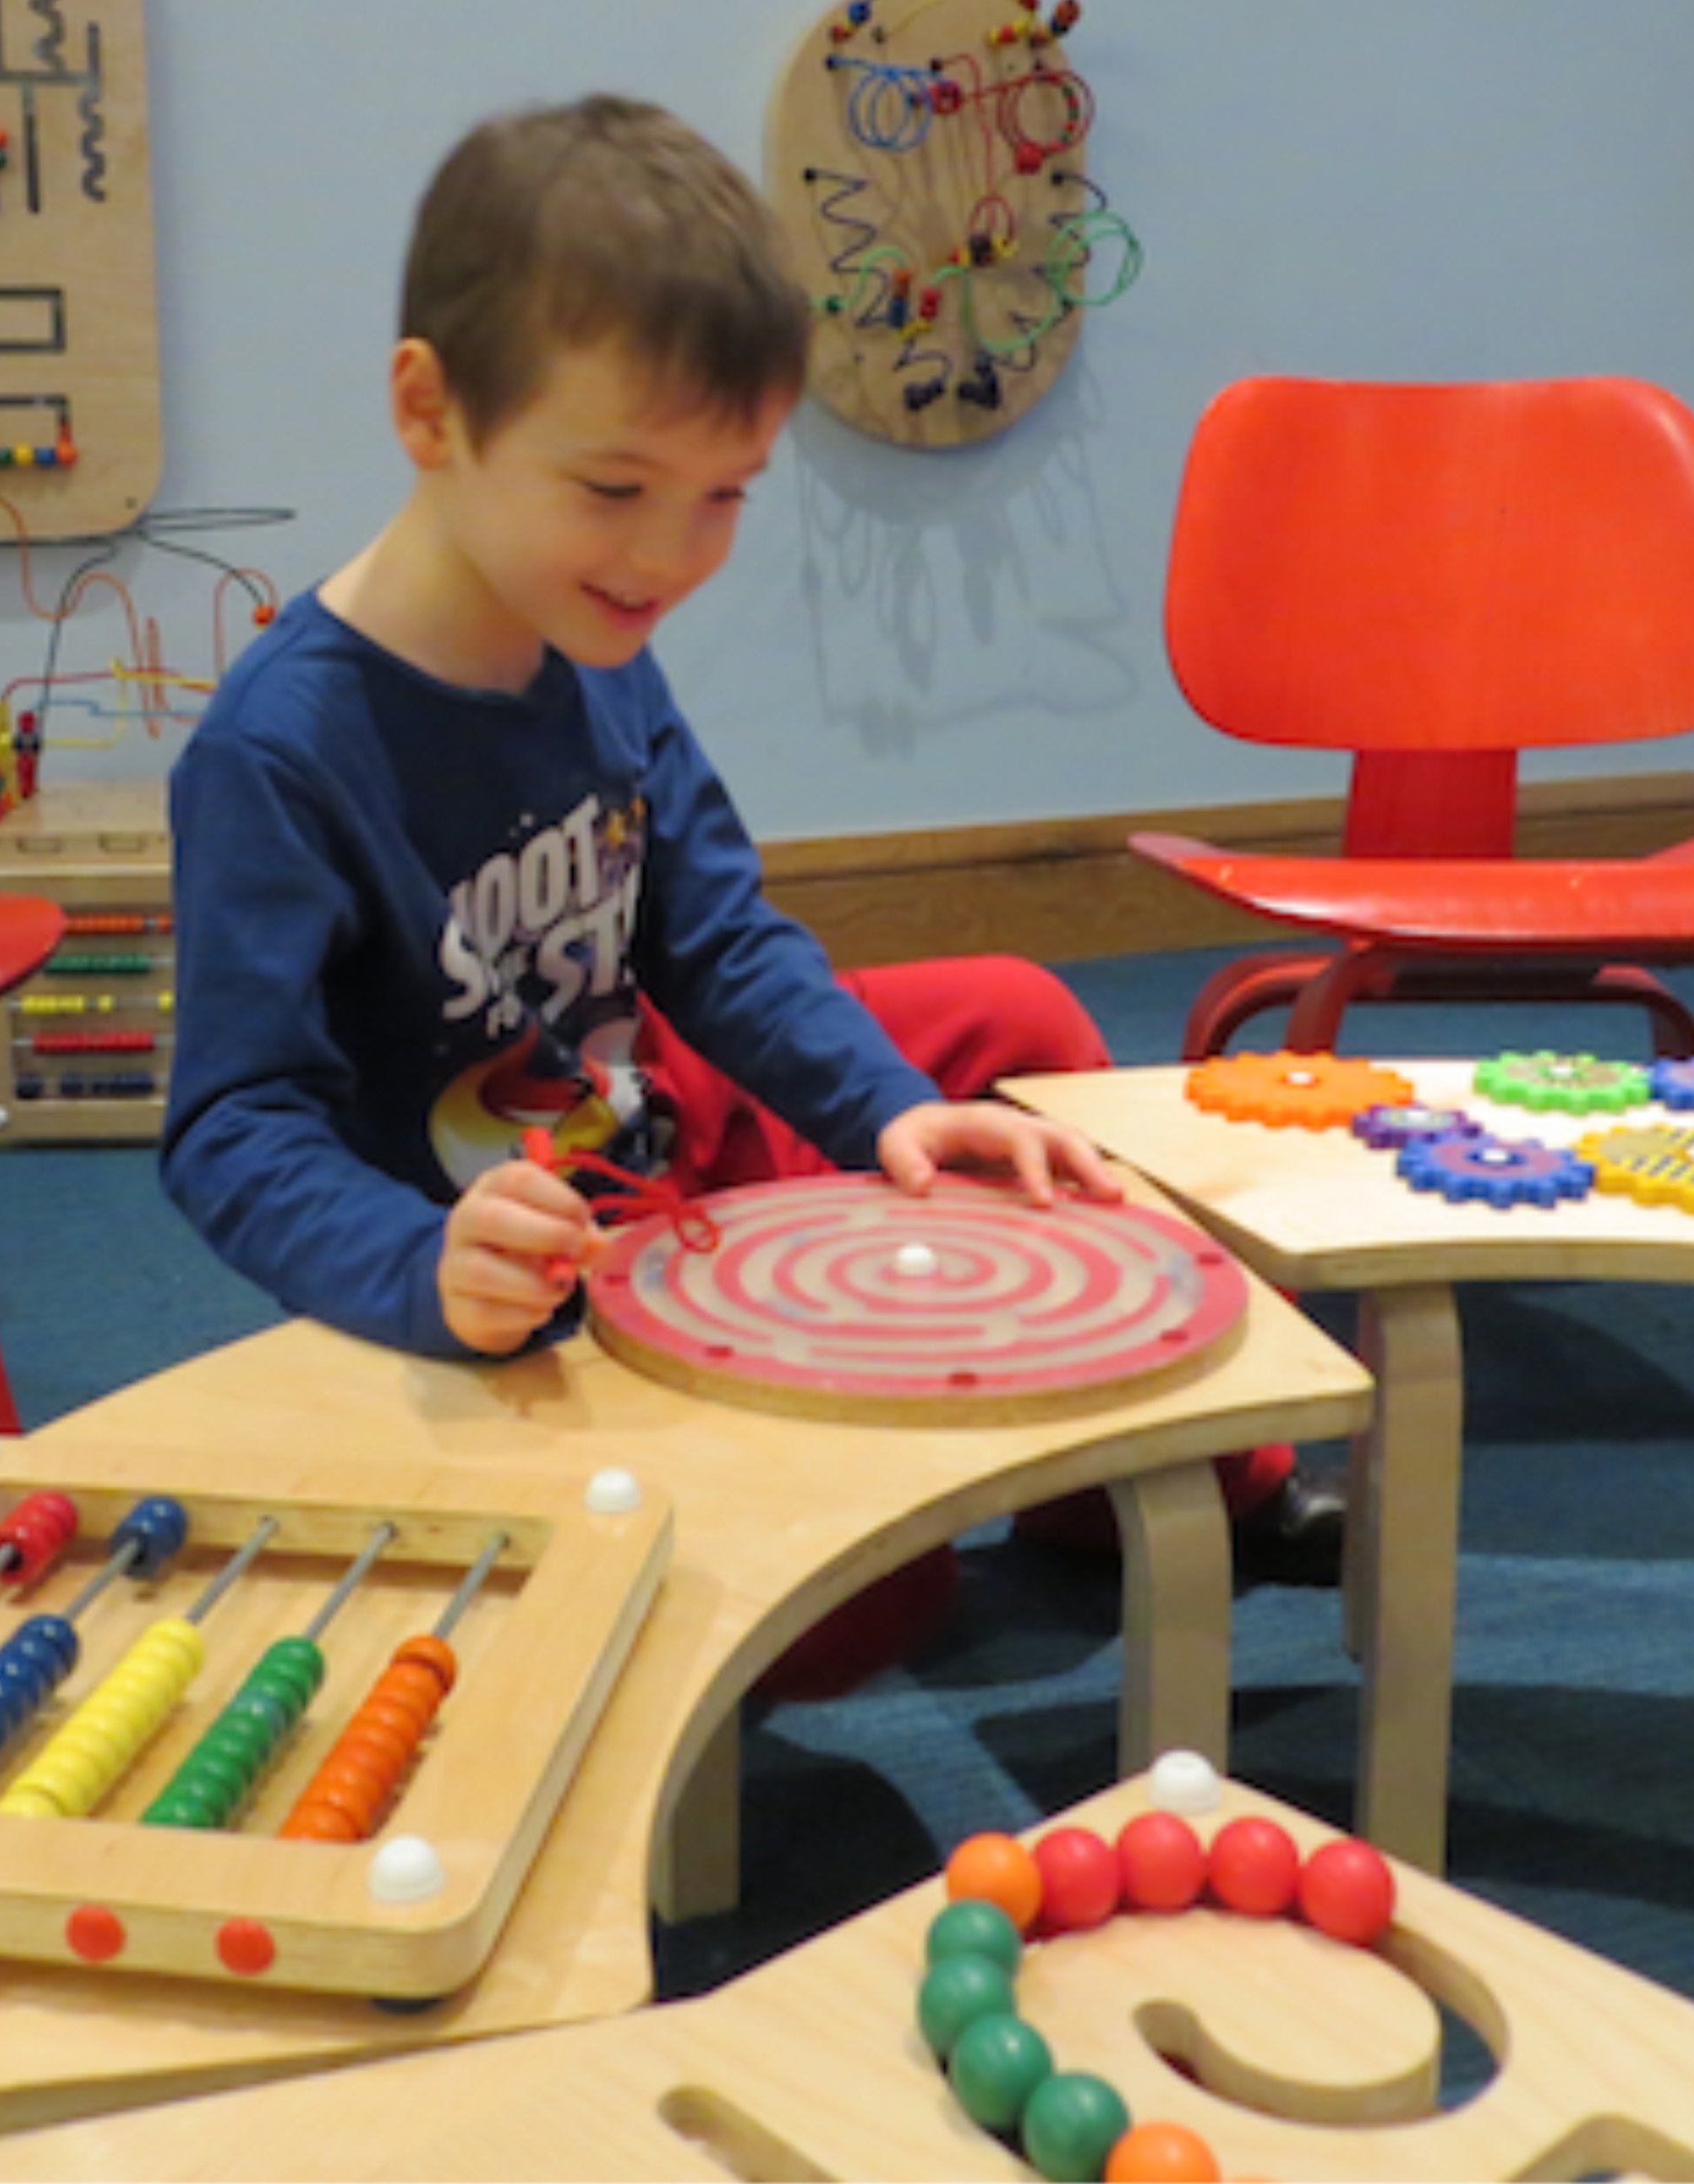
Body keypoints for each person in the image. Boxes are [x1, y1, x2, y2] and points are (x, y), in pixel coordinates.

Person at [164, 96, 1323, 1693]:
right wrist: (420, 1268)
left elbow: (709, 935)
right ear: (431, 412)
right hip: (523, 1247)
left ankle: (1155, 1476)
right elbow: (233, 1129)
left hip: (645, 1120)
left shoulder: (592, 640)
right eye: (619, 488)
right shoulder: (281, 753)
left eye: (724, 496)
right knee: (855, 1605)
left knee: (1020, 1026)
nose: (670, 558)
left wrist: (882, 1112)